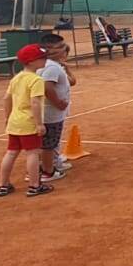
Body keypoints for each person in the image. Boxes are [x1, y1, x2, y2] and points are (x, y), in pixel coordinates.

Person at [0, 44, 53, 198]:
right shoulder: (36, 80)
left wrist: (7, 117)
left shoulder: (17, 78)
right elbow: (35, 102)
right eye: (42, 58)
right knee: (32, 153)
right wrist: (39, 123)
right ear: (31, 62)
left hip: (15, 121)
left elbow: (6, 98)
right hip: (28, 122)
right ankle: (35, 185)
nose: (45, 60)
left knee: (11, 152)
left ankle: (3, 184)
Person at [38, 33, 75, 181]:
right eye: (59, 47)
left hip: (53, 113)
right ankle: (48, 171)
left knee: (52, 142)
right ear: (48, 50)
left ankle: (52, 164)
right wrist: (58, 103)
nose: (63, 49)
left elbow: (71, 82)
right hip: (50, 113)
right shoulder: (51, 67)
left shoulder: (54, 66)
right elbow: (47, 87)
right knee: (48, 143)